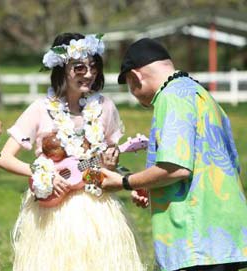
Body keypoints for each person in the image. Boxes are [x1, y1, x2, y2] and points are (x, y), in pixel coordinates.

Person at [0, 32, 145, 271]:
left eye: (93, 67)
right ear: (61, 69)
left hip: (97, 208)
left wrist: (111, 164)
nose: (89, 74)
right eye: (79, 68)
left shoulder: (105, 108)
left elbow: (108, 160)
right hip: (53, 212)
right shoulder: (40, 109)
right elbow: (4, 158)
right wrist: (43, 174)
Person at [101, 38, 247, 271]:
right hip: (223, 232)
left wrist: (125, 182)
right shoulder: (200, 93)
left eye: (129, 84)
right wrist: (151, 186)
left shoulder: (171, 97)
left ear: (136, 77)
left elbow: (176, 168)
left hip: (196, 236)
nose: (133, 94)